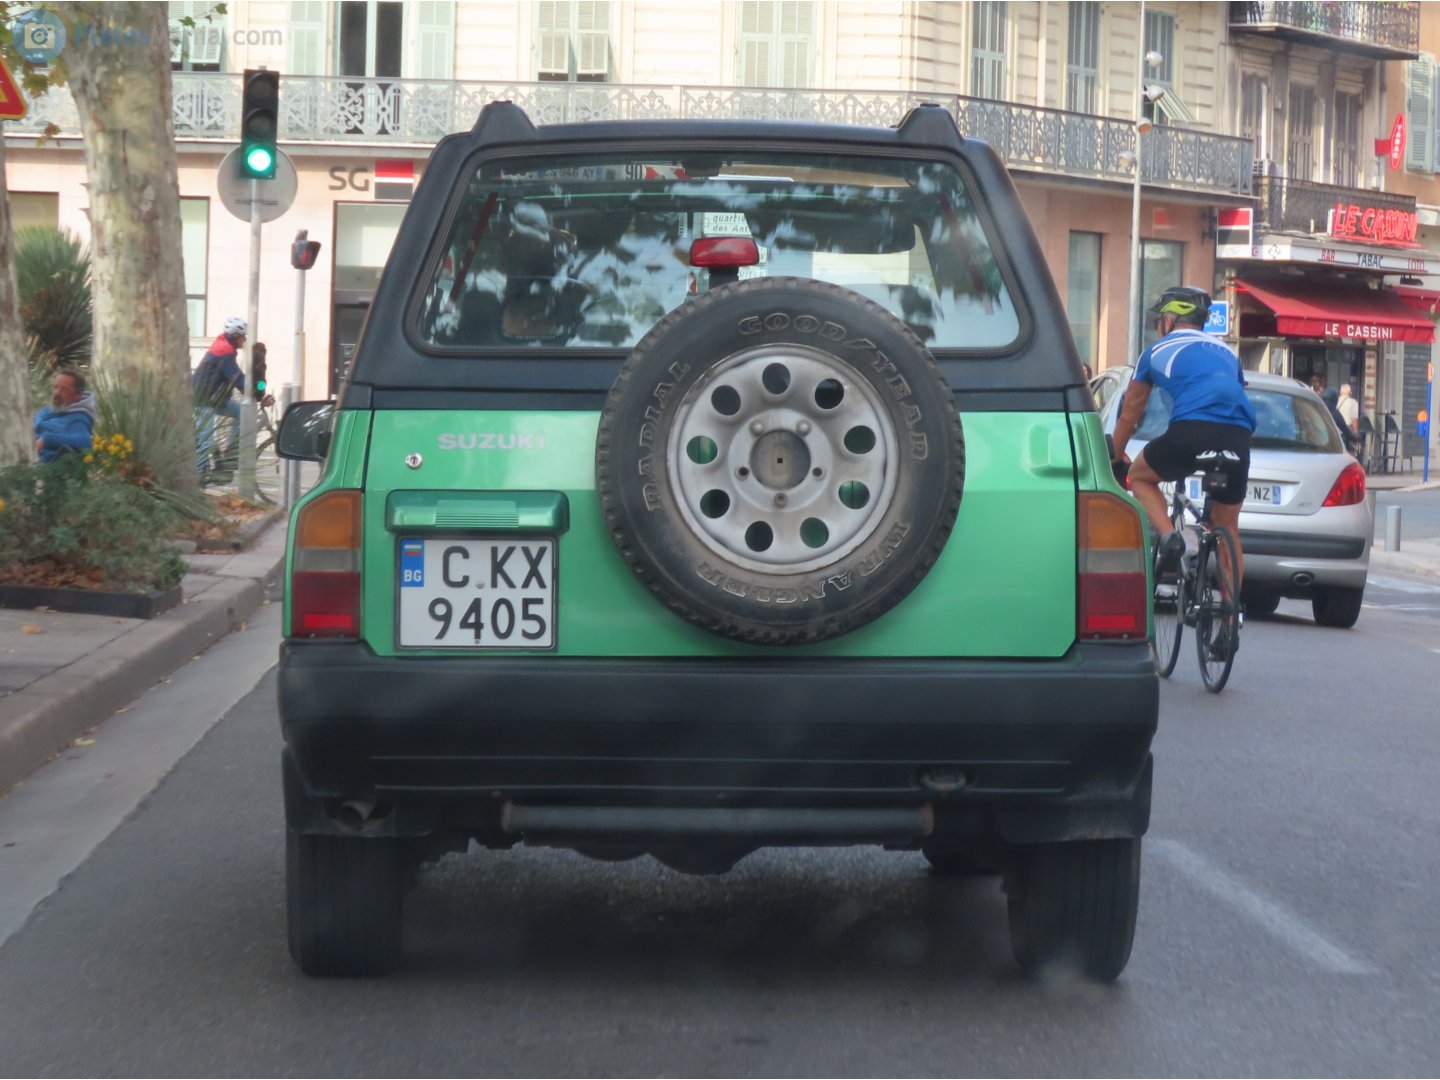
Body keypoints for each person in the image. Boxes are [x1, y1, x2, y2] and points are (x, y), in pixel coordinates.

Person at [1109, 286, 1257, 592]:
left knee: (1140, 476)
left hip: (1191, 429)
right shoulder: (1228, 353)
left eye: (1159, 320)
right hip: (1238, 435)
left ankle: (1171, 537)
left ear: (1170, 319)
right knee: (1227, 526)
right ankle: (1232, 612)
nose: (1158, 327)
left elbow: (1129, 415)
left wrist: (1114, 457)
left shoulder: (1154, 353)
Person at [193, 317, 249, 482]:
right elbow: (237, 378)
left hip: (216, 399)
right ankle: (199, 477)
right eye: (243, 337)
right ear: (235, 337)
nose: (245, 340)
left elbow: (237, 377)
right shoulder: (224, 352)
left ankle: (229, 454)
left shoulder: (224, 346)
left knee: (242, 414)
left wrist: (252, 387)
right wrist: (255, 391)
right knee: (206, 441)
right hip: (202, 399)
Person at [33, 369, 97, 463]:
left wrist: (46, 440)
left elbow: (85, 442)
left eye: (64, 389)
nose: (57, 393)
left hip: (41, 467)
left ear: (77, 396)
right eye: (55, 387)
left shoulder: (77, 419)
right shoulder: (46, 410)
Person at [1322, 387, 1358, 455]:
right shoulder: (1333, 411)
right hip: (1328, 445)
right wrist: (1355, 438)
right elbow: (1345, 429)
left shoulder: (1317, 406)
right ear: (1335, 399)